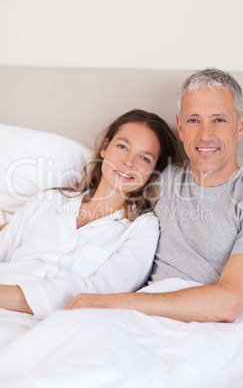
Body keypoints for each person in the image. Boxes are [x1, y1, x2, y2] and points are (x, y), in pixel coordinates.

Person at [66, 68, 243, 330]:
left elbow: (229, 303)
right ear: (181, 127)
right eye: (194, 120)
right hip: (144, 323)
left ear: (240, 126)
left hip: (222, 332)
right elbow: (85, 209)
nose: (205, 135)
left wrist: (105, 302)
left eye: (219, 120)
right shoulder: (160, 180)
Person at [0, 109, 182, 319]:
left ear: (154, 172)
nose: (129, 162)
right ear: (105, 148)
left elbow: (98, 296)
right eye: (122, 147)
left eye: (145, 158)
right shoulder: (49, 201)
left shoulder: (142, 229)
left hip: (45, 321)